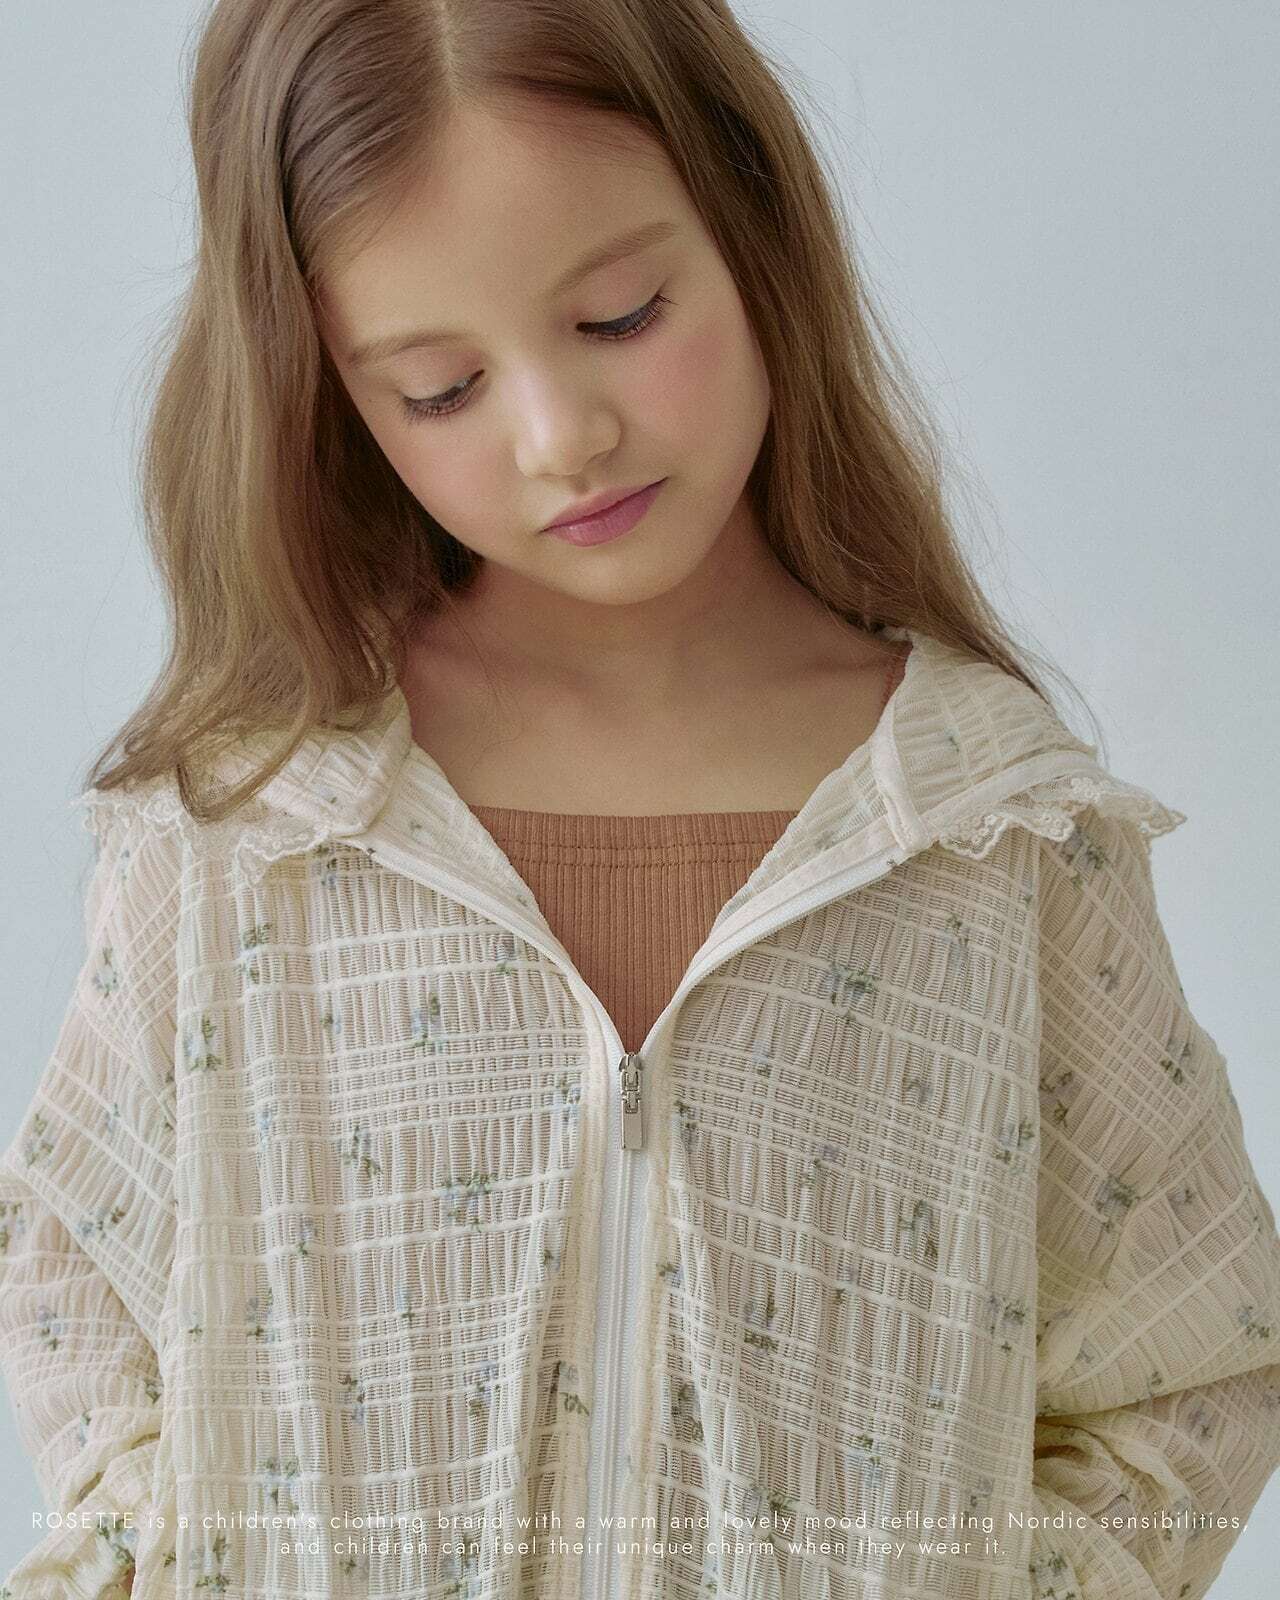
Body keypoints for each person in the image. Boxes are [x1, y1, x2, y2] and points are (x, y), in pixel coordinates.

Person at [2, 2, 1277, 1597]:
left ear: (752, 230)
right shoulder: (251, 834)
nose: (564, 436)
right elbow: (81, 1289)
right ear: (326, 391)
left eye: (620, 315)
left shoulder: (992, 831)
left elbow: (1188, 1365)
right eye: (440, 389)